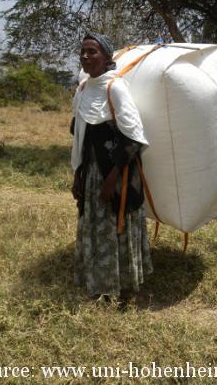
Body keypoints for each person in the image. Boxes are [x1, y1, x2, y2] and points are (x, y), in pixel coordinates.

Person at [71, 33, 153, 299]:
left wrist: (111, 179)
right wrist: (79, 175)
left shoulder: (114, 88)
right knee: (95, 225)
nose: (85, 56)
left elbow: (134, 138)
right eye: (83, 51)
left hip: (118, 173)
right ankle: (98, 282)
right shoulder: (83, 89)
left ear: (107, 58)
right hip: (91, 171)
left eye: (92, 52)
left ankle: (124, 289)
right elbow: (81, 136)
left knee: (117, 224)